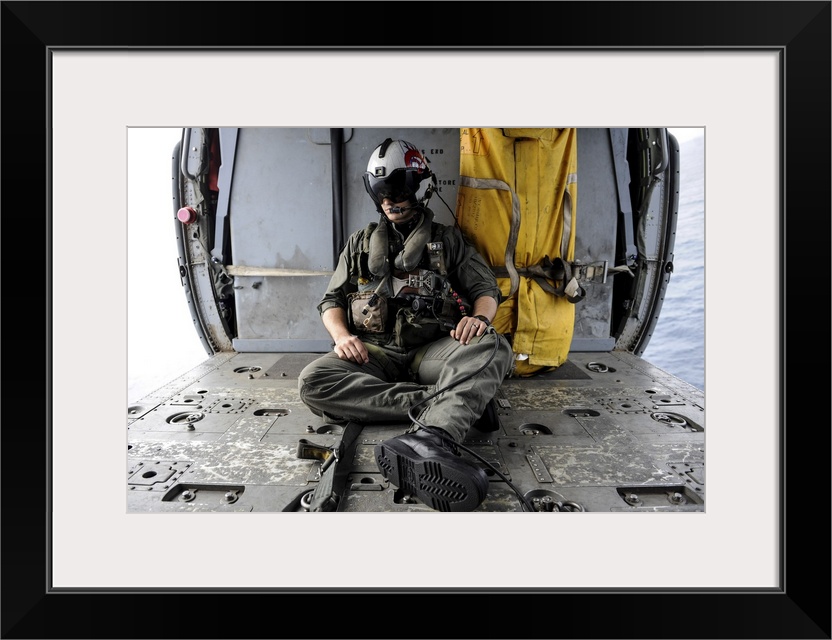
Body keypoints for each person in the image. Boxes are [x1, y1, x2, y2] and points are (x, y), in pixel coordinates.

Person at [298, 138, 514, 512]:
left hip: (431, 351)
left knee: (493, 345)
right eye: (381, 191)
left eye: (398, 189)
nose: (389, 200)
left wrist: (478, 319)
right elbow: (331, 301)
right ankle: (455, 401)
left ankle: (433, 436)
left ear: (420, 187)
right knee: (312, 382)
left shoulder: (448, 240)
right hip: (374, 353)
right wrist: (342, 335)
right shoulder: (360, 244)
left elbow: (485, 288)